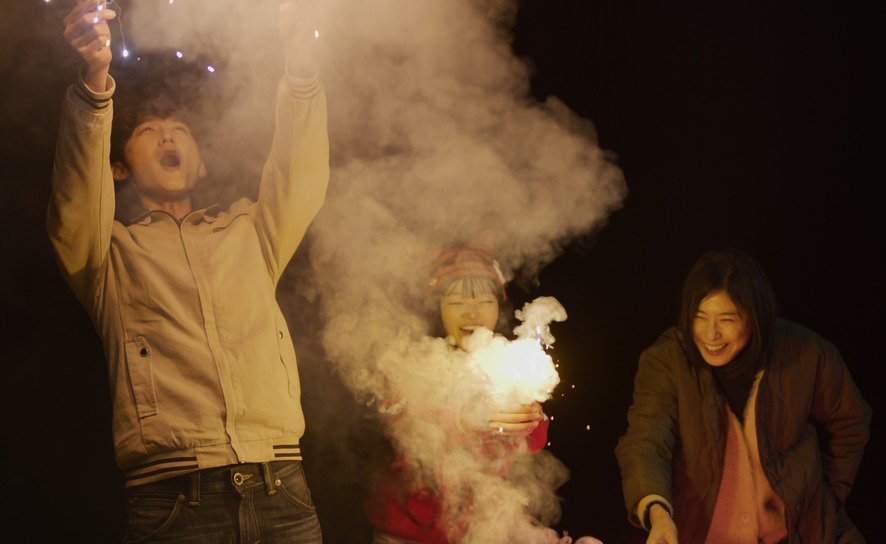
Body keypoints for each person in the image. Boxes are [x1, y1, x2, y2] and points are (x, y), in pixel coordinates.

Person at [46, 1, 329, 542]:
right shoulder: (110, 254)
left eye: (179, 129)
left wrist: (300, 68)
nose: (168, 136)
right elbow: (73, 204)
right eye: (149, 129)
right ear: (120, 167)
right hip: (175, 502)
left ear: (202, 163)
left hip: (284, 493)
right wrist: (94, 82)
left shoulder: (251, 231)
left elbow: (303, 171)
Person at [615, 248, 873, 544]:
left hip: (806, 534)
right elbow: (646, 440)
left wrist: (827, 497)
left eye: (726, 320)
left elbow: (851, 423)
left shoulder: (807, 354)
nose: (710, 335)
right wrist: (658, 513)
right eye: (700, 317)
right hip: (704, 534)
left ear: (755, 317)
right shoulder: (668, 360)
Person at [362, 244, 553, 544]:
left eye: (484, 300)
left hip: (481, 530)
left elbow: (533, 444)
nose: (472, 311)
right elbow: (404, 422)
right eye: (457, 301)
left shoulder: (507, 363)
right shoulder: (410, 360)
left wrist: (530, 416)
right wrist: (466, 418)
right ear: (439, 308)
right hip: (408, 533)